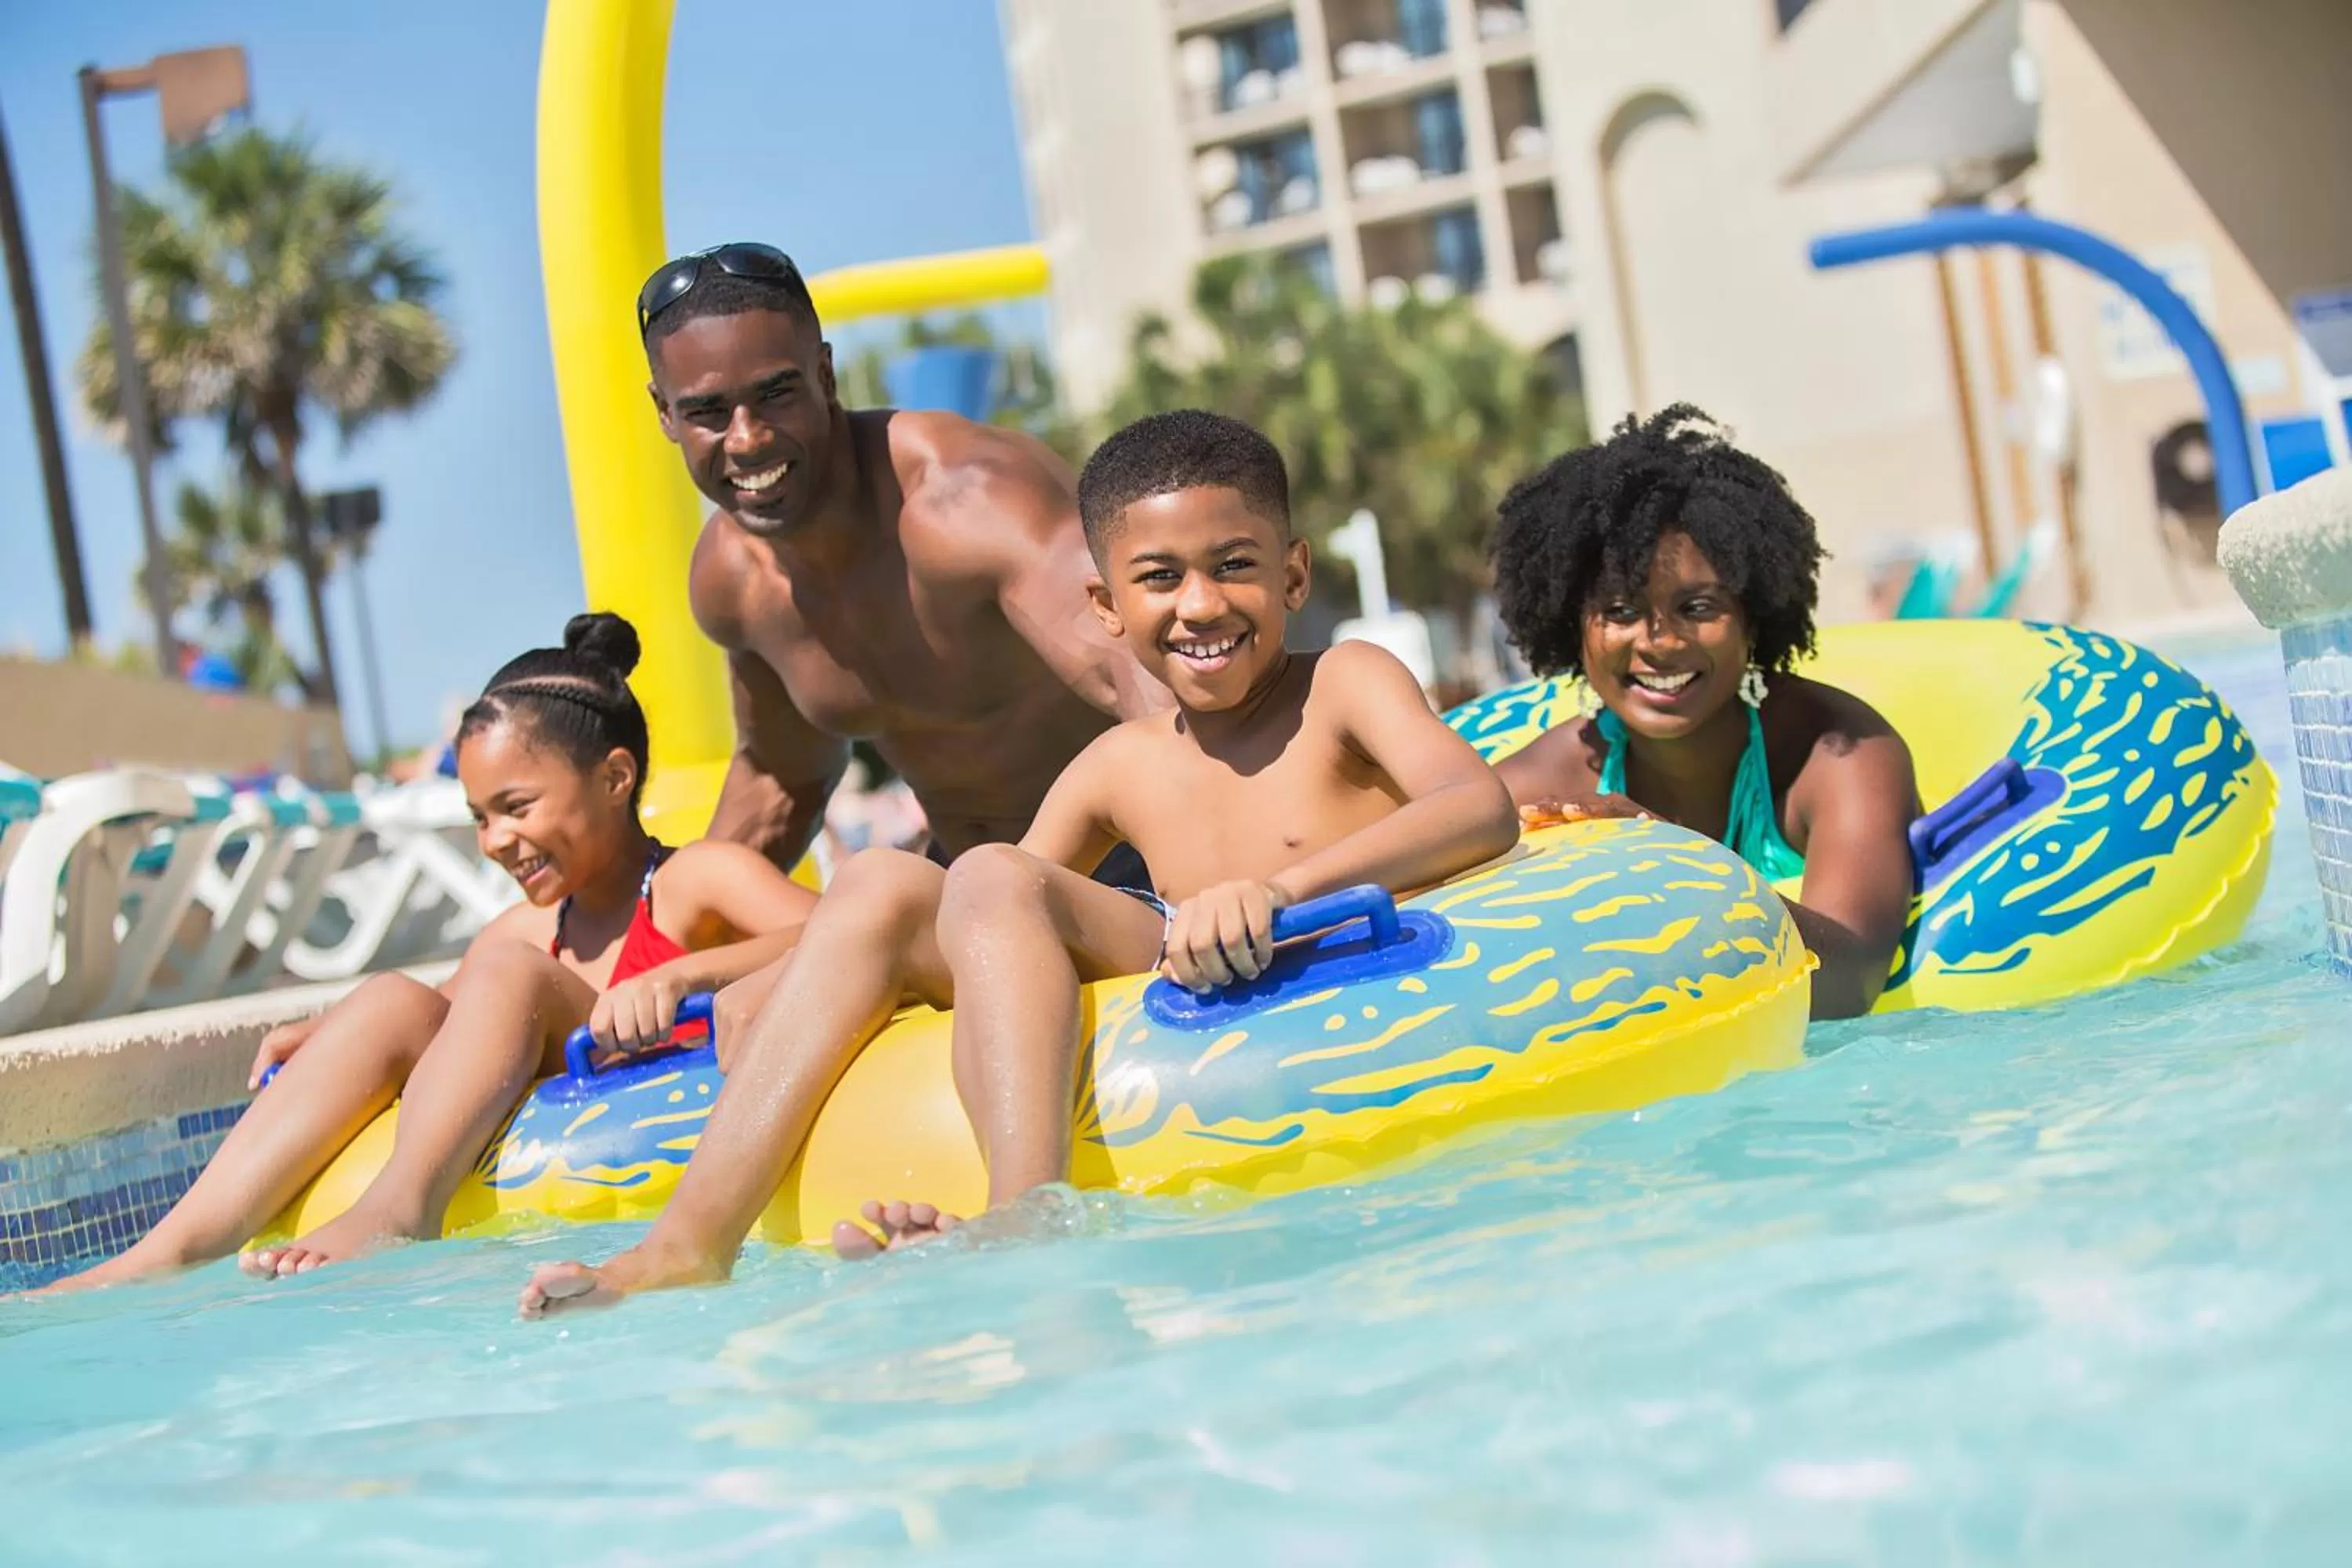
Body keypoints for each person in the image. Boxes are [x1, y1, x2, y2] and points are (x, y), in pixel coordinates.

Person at [517, 410, 1519, 1314]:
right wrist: (757, 981)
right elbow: (982, 919)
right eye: (1160, 578)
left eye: (1236, 565)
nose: (1202, 604)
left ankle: (1025, 1209)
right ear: (1106, 604)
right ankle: (688, 1243)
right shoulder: (1120, 762)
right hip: (1176, 957)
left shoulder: (1345, 683)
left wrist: (1277, 890)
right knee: (907, 877)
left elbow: (1478, 804)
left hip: (1328, 957)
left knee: (987, 869)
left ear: (1294, 574)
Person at [38, 615, 815, 1292]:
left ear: (614, 777)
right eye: (479, 817)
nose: (495, 840)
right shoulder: (521, 931)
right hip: (545, 1085)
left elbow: (838, 928)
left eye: (517, 807)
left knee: (504, 968)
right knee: (393, 994)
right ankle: (172, 1246)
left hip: (672, 1119)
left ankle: (398, 1206)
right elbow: (440, 1021)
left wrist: (687, 971)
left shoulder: (696, 879)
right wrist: (330, 1031)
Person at [637, 242, 1163, 879]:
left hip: (1137, 851)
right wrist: (667, 927)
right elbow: (783, 779)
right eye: (708, 413)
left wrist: (1233, 860)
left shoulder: (968, 498)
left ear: (825, 376)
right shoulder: (733, 582)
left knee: (874, 888)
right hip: (973, 882)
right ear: (666, 414)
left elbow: (1143, 674)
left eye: (775, 395)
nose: (747, 439)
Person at [1486, 405, 1918, 1020]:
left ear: (1753, 618)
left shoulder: (1840, 756)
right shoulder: (1541, 788)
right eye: (1619, 611)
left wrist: (1674, 863)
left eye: (1697, 607)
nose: (1658, 642)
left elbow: (1852, 982)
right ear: (1571, 629)